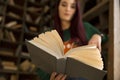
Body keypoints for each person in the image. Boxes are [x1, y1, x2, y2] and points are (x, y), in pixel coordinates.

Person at [36, 0, 107, 80]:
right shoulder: (48, 35)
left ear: (76, 10)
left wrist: (98, 36)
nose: (68, 9)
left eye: (72, 6)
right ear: (58, 7)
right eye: (64, 5)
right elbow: (40, 67)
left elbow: (106, 37)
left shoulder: (85, 27)